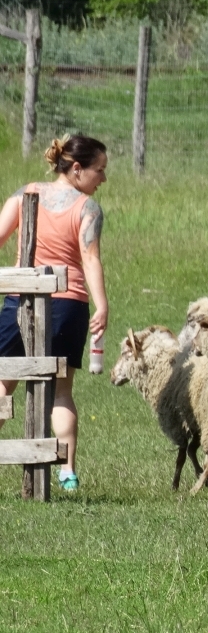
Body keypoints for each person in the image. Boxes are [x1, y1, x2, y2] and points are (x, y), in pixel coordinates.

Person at [0, 134, 108, 491]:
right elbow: (89, 258)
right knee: (61, 391)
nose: (103, 179)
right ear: (76, 168)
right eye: (99, 171)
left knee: (3, 383)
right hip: (67, 303)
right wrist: (102, 304)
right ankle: (67, 472)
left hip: (19, 300)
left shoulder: (23, 193)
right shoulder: (87, 208)